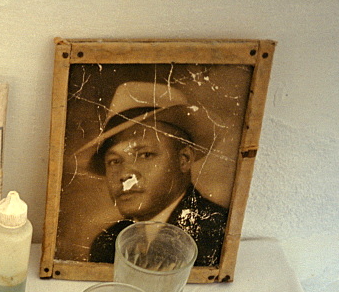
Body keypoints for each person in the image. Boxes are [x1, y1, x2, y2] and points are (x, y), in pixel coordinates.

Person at [80, 82, 229, 267]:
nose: (125, 175)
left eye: (145, 155)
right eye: (114, 161)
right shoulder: (107, 243)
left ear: (184, 159)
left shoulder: (220, 234)